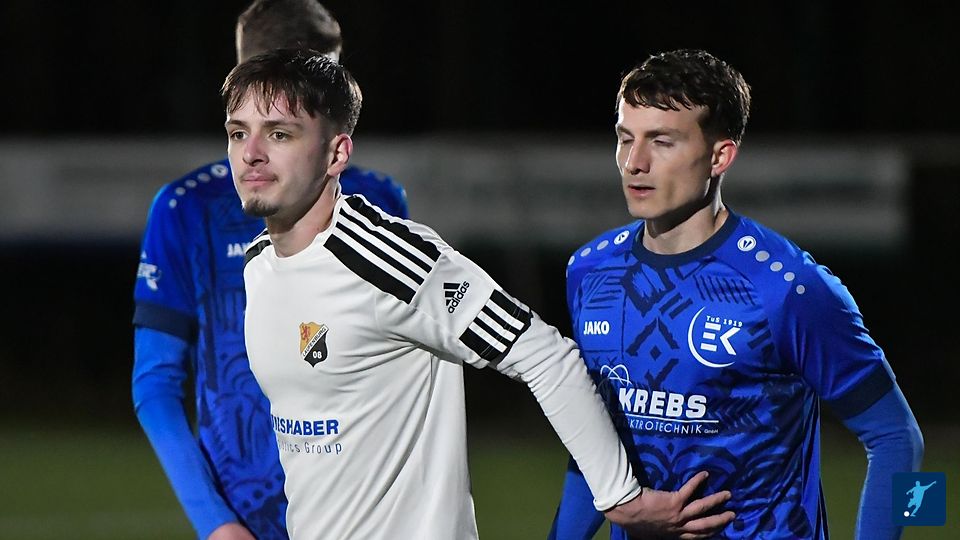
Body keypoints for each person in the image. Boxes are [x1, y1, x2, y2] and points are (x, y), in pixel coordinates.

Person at [223, 48, 736, 539]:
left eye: (280, 134)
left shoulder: (387, 260)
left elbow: (545, 355)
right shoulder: (259, 264)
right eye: (238, 133)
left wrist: (620, 496)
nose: (251, 154)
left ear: (337, 153)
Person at [548, 49, 924, 539]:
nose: (634, 163)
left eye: (661, 141)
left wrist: (904, 528)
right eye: (625, 138)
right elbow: (597, 449)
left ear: (720, 156)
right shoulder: (591, 272)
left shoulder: (787, 289)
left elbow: (900, 438)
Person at [131, 2, 408, 539]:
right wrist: (216, 524)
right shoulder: (189, 209)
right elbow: (156, 382)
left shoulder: (378, 200)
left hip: (361, 511)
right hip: (246, 518)